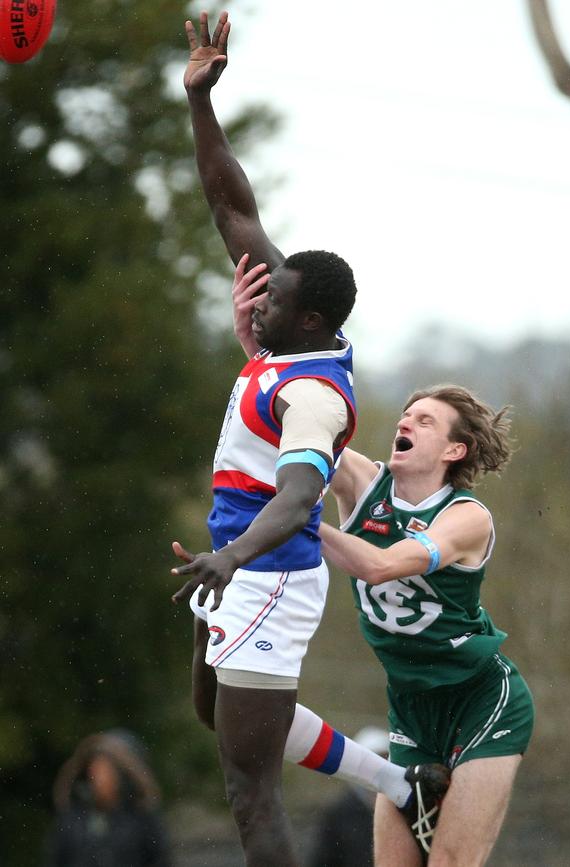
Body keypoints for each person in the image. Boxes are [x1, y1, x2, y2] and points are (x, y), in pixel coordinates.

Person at [171, 11, 448, 867]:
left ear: (313, 319)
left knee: (248, 787)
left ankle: (408, 788)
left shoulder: (317, 399)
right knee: (216, 711)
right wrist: (200, 103)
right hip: (237, 561)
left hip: (266, 576)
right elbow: (231, 204)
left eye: (275, 300)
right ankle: (407, 783)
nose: (259, 299)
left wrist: (229, 559)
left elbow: (297, 499)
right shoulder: (290, 333)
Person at [232, 270, 535, 864]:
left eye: (425, 421)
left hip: (481, 698)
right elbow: (296, 420)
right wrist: (258, 352)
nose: (406, 422)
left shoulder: (466, 518)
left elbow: (379, 567)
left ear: (454, 450)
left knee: (448, 860)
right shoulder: (362, 482)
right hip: (410, 704)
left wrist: (298, 519)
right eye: (405, 413)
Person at [42, 730, 172, 867]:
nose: (98, 779)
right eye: (95, 771)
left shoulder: (142, 819)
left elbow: (160, 860)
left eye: (106, 771)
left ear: (123, 776)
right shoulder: (73, 820)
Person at [306, 727, 390, 867]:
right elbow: (322, 859)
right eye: (372, 764)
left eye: (385, 761)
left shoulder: (407, 810)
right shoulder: (339, 814)